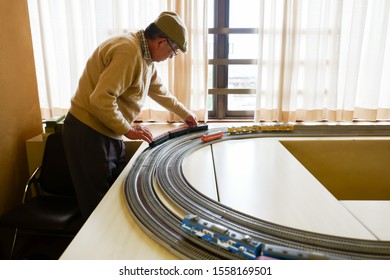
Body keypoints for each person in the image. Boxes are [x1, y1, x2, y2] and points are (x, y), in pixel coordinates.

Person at [62, 11, 198, 219]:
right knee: (98, 207)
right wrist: (128, 130)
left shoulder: (145, 57)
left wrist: (185, 114)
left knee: (113, 198)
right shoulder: (128, 51)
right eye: (173, 52)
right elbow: (100, 100)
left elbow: (159, 91)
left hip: (109, 130)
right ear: (161, 42)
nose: (171, 57)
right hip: (89, 131)